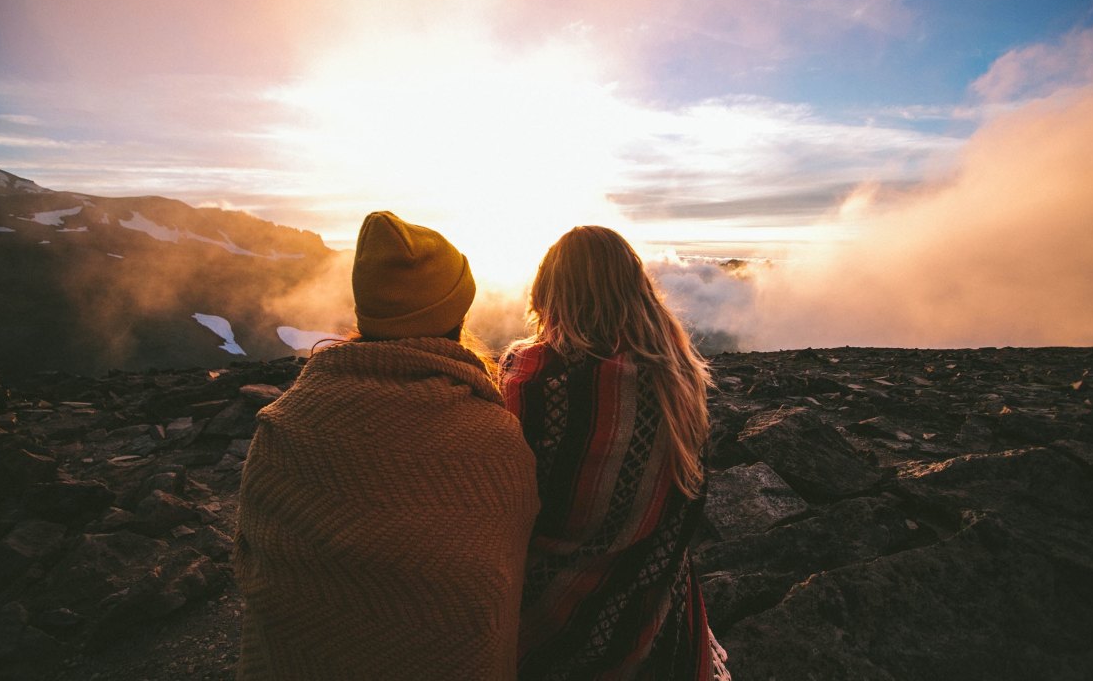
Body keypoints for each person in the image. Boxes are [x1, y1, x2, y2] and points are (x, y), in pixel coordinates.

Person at [234, 211, 540, 680]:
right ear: (458, 314)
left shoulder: (285, 426)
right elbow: (500, 585)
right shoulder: (493, 443)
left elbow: (254, 562)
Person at [499, 225, 729, 681]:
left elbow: (506, 505)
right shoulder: (679, 381)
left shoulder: (530, 380)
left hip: (544, 611)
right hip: (648, 607)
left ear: (548, 294)